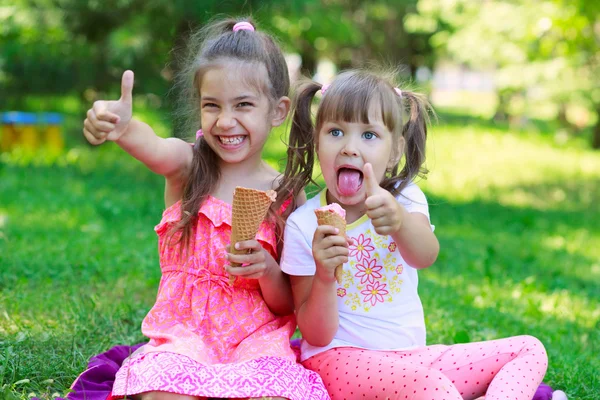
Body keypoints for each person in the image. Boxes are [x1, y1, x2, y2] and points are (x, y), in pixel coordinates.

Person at [82, 17, 329, 400]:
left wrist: (266, 270)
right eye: (211, 105)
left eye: (243, 105)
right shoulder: (188, 166)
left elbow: (287, 302)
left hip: (256, 338)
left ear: (278, 110)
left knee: (275, 394)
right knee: (165, 391)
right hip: (186, 334)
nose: (226, 121)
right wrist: (124, 127)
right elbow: (155, 147)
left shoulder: (286, 195)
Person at [280, 69, 549, 400]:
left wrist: (401, 222)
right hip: (338, 359)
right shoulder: (304, 224)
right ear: (316, 142)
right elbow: (315, 335)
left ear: (394, 151)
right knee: (432, 388)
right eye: (336, 132)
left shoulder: (405, 200)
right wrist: (323, 276)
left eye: (368, 135)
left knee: (528, 349)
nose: (350, 147)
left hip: (412, 359)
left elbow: (425, 255)